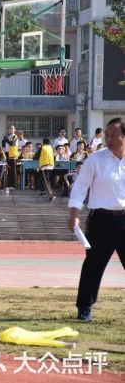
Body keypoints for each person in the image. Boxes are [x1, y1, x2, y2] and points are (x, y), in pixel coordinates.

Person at [68, 118, 125, 323]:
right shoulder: (95, 160)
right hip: (102, 220)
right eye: (106, 135)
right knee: (93, 265)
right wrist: (73, 214)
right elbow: (80, 187)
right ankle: (84, 308)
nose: (108, 139)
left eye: (113, 135)